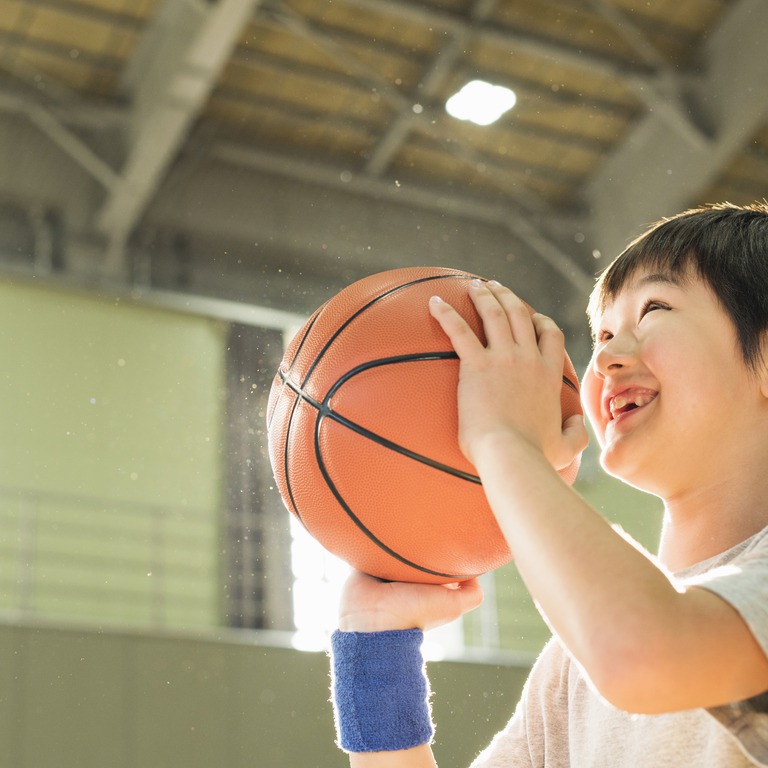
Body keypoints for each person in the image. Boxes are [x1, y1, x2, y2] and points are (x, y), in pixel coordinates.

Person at [328, 202, 768, 767]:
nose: (606, 355)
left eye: (655, 309)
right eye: (604, 332)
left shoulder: (633, 641)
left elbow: (644, 655)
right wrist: (376, 650)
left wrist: (502, 439)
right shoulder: (572, 665)